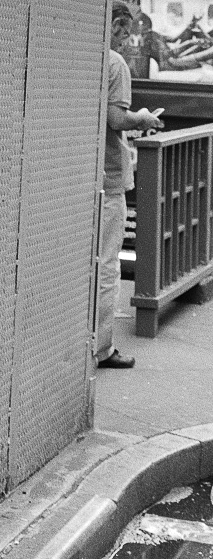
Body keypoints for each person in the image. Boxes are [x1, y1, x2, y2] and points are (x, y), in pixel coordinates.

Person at [96, 32, 162, 368]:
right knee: (107, 265)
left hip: (75, 174)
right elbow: (117, 119)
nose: (126, 42)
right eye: (124, 34)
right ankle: (101, 348)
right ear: (117, 26)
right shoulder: (114, 63)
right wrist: (144, 117)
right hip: (108, 177)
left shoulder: (76, 54)